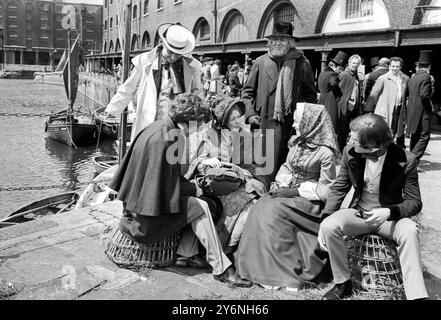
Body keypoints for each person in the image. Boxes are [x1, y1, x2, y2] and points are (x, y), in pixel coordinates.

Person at [106, 93, 251, 288]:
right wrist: (196, 188)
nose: (199, 130)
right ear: (188, 121)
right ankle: (222, 269)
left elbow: (162, 182)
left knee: (203, 203)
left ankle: (189, 254)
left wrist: (192, 186)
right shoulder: (169, 140)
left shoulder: (157, 128)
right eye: (198, 124)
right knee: (200, 205)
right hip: (145, 224)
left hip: (134, 211)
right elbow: (169, 187)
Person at [318, 113, 428, 300]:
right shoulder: (349, 152)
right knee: (329, 226)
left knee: (409, 230)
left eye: (354, 138)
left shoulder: (406, 160)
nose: (349, 140)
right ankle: (342, 283)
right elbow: (338, 188)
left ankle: (416, 295)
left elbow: (415, 202)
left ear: (371, 146)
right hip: (359, 214)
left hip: (390, 218)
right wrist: (325, 218)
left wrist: (390, 211)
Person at [236, 103, 339, 291]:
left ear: (312, 123)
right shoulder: (297, 142)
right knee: (262, 205)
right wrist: (281, 184)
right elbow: (287, 167)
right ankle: (259, 268)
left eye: (299, 121)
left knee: (273, 210)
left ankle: (280, 273)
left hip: (310, 201)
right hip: (287, 194)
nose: (295, 125)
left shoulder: (325, 152)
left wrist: (294, 191)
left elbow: (326, 190)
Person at [185, 97, 267, 253]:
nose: (237, 121)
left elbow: (251, 165)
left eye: (239, 117)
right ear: (224, 121)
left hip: (238, 181)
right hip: (213, 183)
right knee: (229, 203)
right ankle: (218, 249)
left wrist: (242, 173)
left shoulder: (246, 136)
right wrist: (206, 162)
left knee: (250, 202)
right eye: (233, 118)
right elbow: (197, 160)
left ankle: (236, 249)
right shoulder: (210, 135)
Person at [241, 21, 317, 189]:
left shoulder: (301, 63)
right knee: (262, 166)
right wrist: (251, 114)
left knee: (285, 168)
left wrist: (302, 121)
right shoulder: (260, 62)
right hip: (263, 123)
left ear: (290, 43)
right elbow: (246, 93)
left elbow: (311, 96)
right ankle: (260, 193)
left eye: (282, 40)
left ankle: (278, 195)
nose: (277, 43)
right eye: (274, 40)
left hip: (290, 126)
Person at [104, 23, 202, 141]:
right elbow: (128, 88)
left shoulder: (192, 67)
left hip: (178, 123)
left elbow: (198, 94)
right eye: (170, 52)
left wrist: (200, 118)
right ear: (164, 44)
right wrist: (113, 109)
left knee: (173, 154)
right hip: (151, 120)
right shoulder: (144, 61)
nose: (174, 57)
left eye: (178, 54)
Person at [366, 57, 409, 148]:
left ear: (401, 67)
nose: (394, 68)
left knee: (394, 133)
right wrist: (381, 106)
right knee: (383, 133)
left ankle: (389, 155)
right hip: (385, 110)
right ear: (389, 66)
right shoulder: (384, 78)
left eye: (397, 66)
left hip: (398, 109)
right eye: (392, 66)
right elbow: (374, 94)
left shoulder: (404, 79)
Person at [406, 50, 434, 161]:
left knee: (415, 135)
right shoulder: (427, 77)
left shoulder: (413, 77)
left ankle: (411, 158)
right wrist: (429, 107)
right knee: (424, 135)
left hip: (412, 109)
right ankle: (413, 159)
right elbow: (424, 95)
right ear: (429, 66)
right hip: (422, 110)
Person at [336, 54, 364, 152]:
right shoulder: (344, 75)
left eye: (357, 63)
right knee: (342, 130)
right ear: (349, 63)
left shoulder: (356, 75)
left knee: (349, 129)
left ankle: (344, 149)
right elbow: (338, 90)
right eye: (353, 63)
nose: (355, 65)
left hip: (353, 106)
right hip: (344, 106)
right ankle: (340, 150)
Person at [318, 50, 348, 131]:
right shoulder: (332, 74)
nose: (340, 71)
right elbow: (333, 83)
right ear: (335, 66)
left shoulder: (322, 73)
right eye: (340, 68)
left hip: (322, 99)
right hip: (330, 101)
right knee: (331, 123)